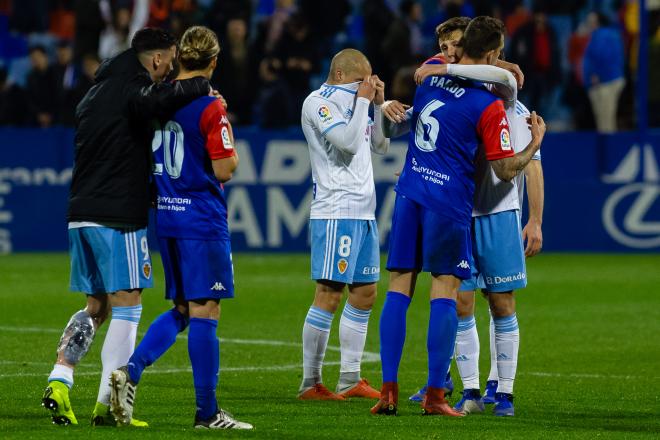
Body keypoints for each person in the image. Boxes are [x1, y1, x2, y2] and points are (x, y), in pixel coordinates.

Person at [371, 16, 546, 417]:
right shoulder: (489, 102)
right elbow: (504, 170)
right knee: (446, 293)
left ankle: (388, 392)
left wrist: (439, 68)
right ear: (491, 54)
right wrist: (535, 141)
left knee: (399, 288)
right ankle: (436, 395)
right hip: (450, 202)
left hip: (409, 192)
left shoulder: (429, 78)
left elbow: (454, 67)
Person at [41, 28, 212, 427]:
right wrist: (200, 85)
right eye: (169, 61)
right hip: (116, 216)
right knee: (129, 306)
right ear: (155, 59)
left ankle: (60, 378)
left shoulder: (97, 89)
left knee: (95, 306)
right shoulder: (132, 88)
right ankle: (109, 405)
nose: (171, 70)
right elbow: (154, 99)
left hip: (80, 213)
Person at [109, 25, 252, 430]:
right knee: (207, 310)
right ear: (213, 61)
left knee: (183, 309)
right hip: (201, 220)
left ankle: (130, 371)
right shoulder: (210, 106)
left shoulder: (159, 100)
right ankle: (207, 413)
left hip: (167, 216)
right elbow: (225, 168)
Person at [298, 48, 389, 401]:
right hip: (336, 210)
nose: (363, 87)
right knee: (329, 294)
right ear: (339, 76)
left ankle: (350, 378)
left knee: (365, 293)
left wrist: (378, 105)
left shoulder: (360, 101)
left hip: (364, 211)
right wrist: (364, 101)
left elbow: (378, 145)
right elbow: (349, 144)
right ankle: (311, 382)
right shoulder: (318, 102)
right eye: (359, 81)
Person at [583, 11, 625, 133]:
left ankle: (608, 150)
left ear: (597, 22)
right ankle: (606, 149)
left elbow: (604, 56)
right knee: (605, 120)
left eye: (591, 21)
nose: (588, 23)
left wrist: (597, 75)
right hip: (605, 81)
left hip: (606, 82)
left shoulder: (603, 35)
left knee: (606, 121)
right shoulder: (602, 35)